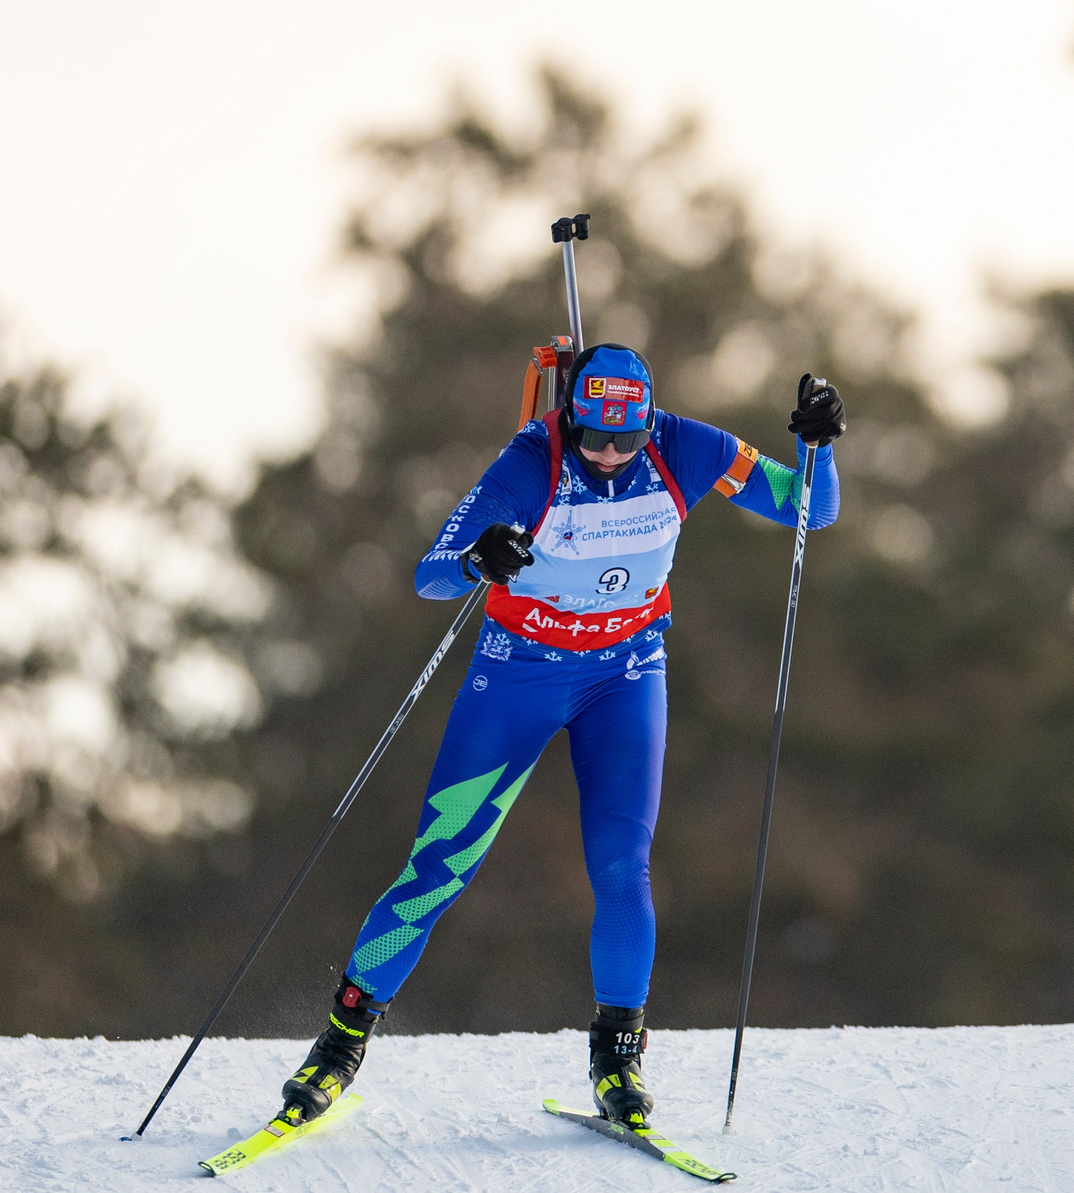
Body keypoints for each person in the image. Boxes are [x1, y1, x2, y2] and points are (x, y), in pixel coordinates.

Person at [275, 344, 845, 1128]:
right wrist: (479, 558)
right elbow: (431, 571)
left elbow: (808, 507)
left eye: (625, 439)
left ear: (649, 421)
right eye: (593, 437)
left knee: (623, 867)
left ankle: (617, 1058)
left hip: (625, 674)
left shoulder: (688, 446)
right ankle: (339, 1044)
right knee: (440, 864)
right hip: (519, 675)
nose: (608, 454)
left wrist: (817, 446)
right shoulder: (530, 460)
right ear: (570, 415)